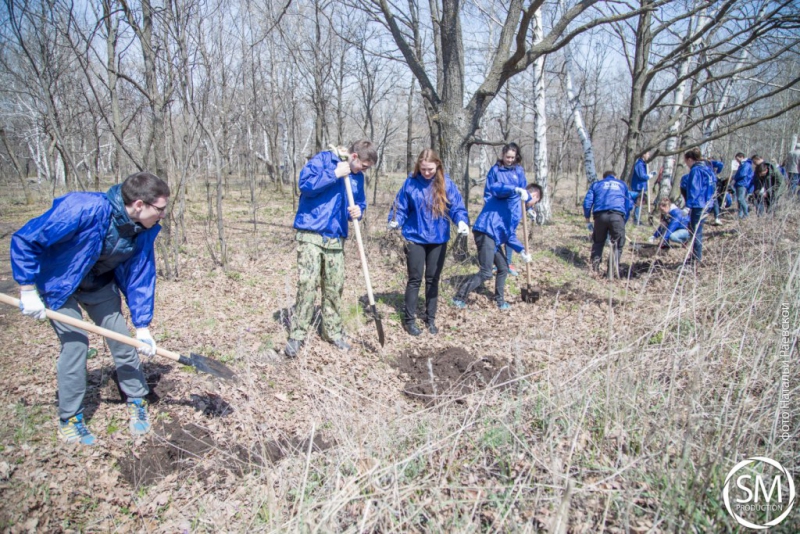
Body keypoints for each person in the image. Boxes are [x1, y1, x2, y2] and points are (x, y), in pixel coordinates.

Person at [10, 172, 170, 446]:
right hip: (60, 285)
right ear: (140, 204)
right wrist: (27, 289)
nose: (163, 215)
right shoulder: (83, 208)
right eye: (160, 208)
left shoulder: (142, 230)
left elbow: (140, 275)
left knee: (123, 341)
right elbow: (27, 239)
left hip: (98, 285)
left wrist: (142, 326)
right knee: (76, 345)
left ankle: (136, 398)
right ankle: (70, 418)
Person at [284, 140, 377, 358]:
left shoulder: (357, 177)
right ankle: (297, 334)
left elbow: (359, 203)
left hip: (336, 236)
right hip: (311, 231)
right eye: (363, 165)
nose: (364, 170)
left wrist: (357, 211)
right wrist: (334, 173)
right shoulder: (324, 160)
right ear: (354, 157)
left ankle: (332, 331)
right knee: (308, 282)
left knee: (335, 285)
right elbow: (305, 185)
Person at [388, 149, 469, 335]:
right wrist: (395, 221)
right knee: (415, 279)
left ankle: (430, 318)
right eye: (423, 169)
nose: (426, 173)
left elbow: (456, 207)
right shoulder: (410, 183)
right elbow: (400, 207)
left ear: (437, 166)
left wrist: (462, 221)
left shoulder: (446, 183)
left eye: (430, 169)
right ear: (418, 166)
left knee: (433, 279)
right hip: (414, 236)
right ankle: (409, 321)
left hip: (438, 238)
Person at [452, 183, 542, 310]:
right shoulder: (512, 196)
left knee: (503, 268)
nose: (533, 205)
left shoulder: (519, 210)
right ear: (534, 195)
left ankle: (499, 301)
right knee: (486, 272)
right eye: (535, 201)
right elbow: (495, 187)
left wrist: (521, 250)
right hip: (486, 231)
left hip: (494, 238)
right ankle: (458, 297)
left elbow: (509, 234)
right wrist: (515, 189)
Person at [484, 143, 527, 276]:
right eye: (507, 157)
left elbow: (523, 190)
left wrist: (527, 208)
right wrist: (489, 206)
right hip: (496, 208)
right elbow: (489, 190)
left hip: (513, 209)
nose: (509, 160)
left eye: (512, 157)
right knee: (496, 233)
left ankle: (508, 262)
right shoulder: (495, 170)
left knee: (509, 233)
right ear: (502, 155)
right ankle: (497, 262)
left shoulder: (518, 171)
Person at [583, 171, 634, 273]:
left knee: (598, 242)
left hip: (600, 216)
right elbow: (629, 205)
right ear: (615, 177)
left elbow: (587, 203)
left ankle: (595, 269)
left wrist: (587, 219)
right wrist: (624, 221)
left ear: (604, 177)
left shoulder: (597, 184)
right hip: (617, 216)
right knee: (618, 244)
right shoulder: (622, 184)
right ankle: (610, 272)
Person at [681, 148, 716, 265]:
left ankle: (696, 259)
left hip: (698, 204)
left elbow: (694, 189)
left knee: (695, 232)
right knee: (696, 231)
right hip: (707, 203)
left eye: (686, 162)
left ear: (690, 159)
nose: (687, 165)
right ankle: (695, 256)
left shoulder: (696, 170)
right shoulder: (707, 169)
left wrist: (688, 205)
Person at [629, 151, 650, 225]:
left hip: (641, 186)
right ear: (643, 154)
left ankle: (637, 218)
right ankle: (636, 219)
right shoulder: (639, 164)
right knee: (638, 202)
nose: (649, 155)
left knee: (640, 203)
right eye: (648, 153)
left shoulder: (643, 164)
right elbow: (641, 175)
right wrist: (648, 176)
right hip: (638, 186)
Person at [732, 152, 754, 218]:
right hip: (740, 183)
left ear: (741, 157)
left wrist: (735, 177)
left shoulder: (746, 164)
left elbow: (742, 174)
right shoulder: (742, 164)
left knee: (740, 199)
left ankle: (746, 213)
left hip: (742, 183)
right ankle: (740, 214)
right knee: (740, 200)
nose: (737, 161)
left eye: (737, 159)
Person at [708, 158, 725, 225]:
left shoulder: (710, 162)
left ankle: (717, 217)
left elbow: (720, 164)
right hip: (711, 182)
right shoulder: (706, 163)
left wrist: (717, 172)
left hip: (710, 182)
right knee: (714, 200)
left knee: (714, 199)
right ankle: (716, 218)